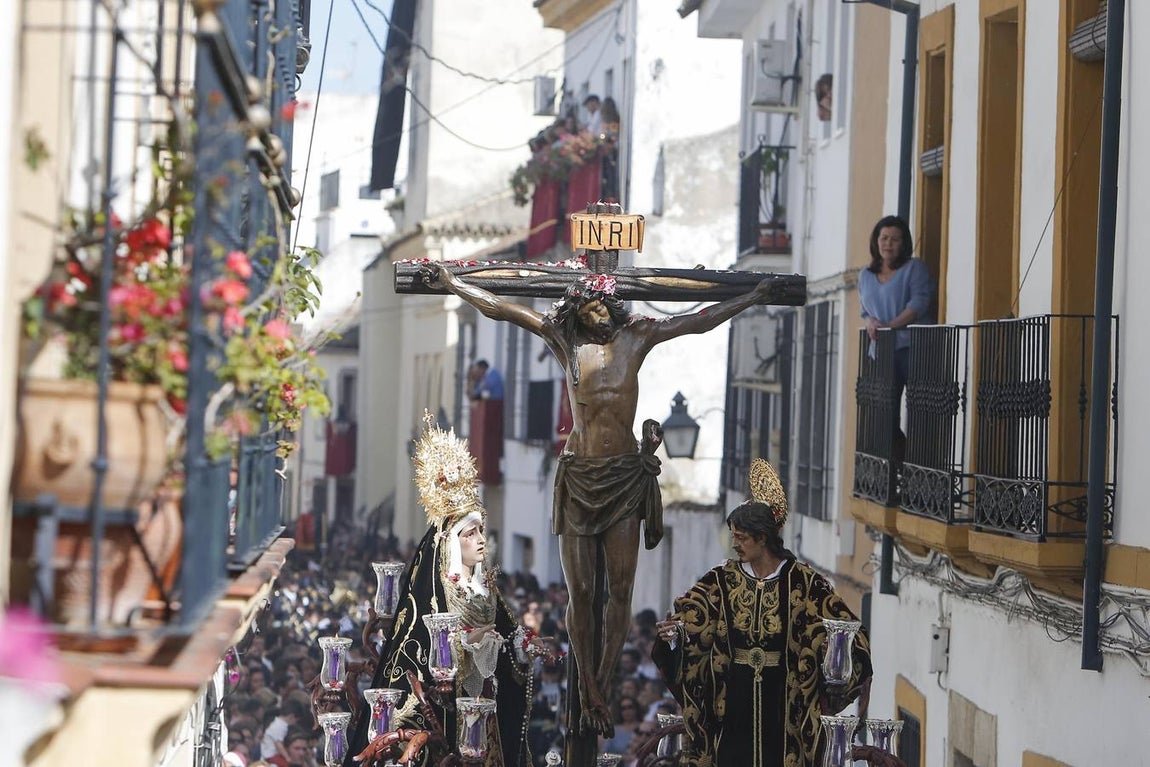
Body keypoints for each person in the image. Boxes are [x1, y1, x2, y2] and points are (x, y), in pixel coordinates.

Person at [428, 266, 783, 738]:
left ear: (613, 307)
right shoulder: (565, 343)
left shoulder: (637, 338)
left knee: (620, 589)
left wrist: (752, 297)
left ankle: (601, 680)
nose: (598, 316)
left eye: (603, 307)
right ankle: (589, 687)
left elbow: (699, 320)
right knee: (581, 594)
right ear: (579, 310)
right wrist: (454, 285)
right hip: (578, 477)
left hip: (622, 478)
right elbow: (504, 310)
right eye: (590, 309)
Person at [348, 412, 549, 767]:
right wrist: (467, 643)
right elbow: (417, 657)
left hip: (487, 716)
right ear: (451, 545)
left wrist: (524, 647)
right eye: (469, 535)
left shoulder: (486, 592)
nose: (480, 541)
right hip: (448, 715)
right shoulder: (433, 598)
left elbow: (509, 640)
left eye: (481, 532)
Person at [653, 459, 872, 767]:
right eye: (733, 535)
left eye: (741, 537)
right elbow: (691, 624)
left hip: (784, 705)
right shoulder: (718, 581)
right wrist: (675, 636)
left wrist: (830, 647)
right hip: (731, 703)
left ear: (763, 538)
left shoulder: (805, 583)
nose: (734, 544)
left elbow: (850, 633)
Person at [857, 215, 933, 456]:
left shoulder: (914, 268)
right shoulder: (865, 276)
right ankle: (903, 459)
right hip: (880, 352)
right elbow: (865, 311)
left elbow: (919, 302)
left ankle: (917, 460)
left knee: (920, 411)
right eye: (884, 238)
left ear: (903, 243)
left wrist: (890, 326)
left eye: (895, 239)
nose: (888, 244)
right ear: (876, 242)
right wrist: (872, 323)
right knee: (883, 415)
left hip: (911, 349)